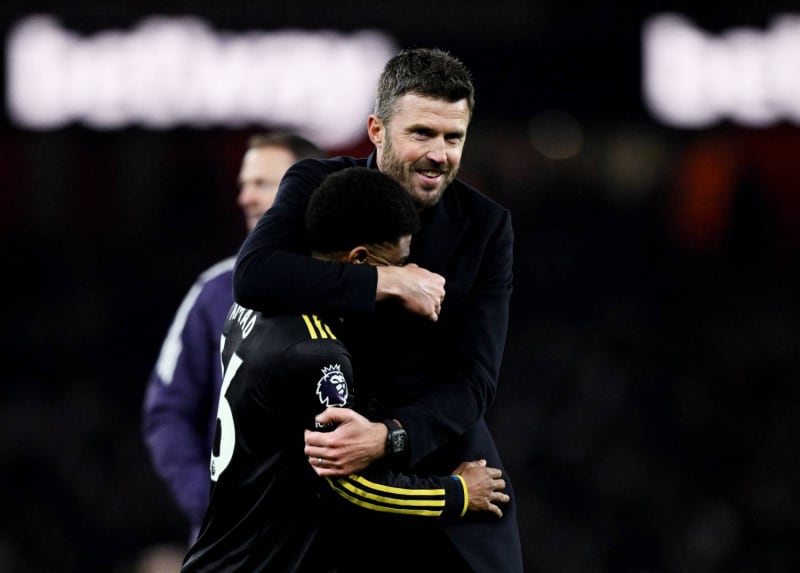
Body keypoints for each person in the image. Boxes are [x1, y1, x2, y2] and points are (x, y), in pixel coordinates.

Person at [233, 48, 522, 571]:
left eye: (453, 138)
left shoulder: (486, 227)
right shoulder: (313, 186)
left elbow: (475, 381)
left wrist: (387, 437)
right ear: (376, 130)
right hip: (325, 479)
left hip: (436, 466)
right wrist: (382, 281)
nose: (439, 154)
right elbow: (255, 275)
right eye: (422, 133)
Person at [181, 167, 509, 572]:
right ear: (361, 260)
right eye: (400, 263)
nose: (409, 273)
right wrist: (456, 493)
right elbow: (349, 485)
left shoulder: (250, 310)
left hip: (217, 554)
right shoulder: (320, 355)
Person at [142, 131, 325, 541]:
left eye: (261, 183)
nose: (245, 197)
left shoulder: (362, 288)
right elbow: (167, 411)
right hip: (232, 551)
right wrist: (211, 509)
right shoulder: (214, 292)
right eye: (243, 185)